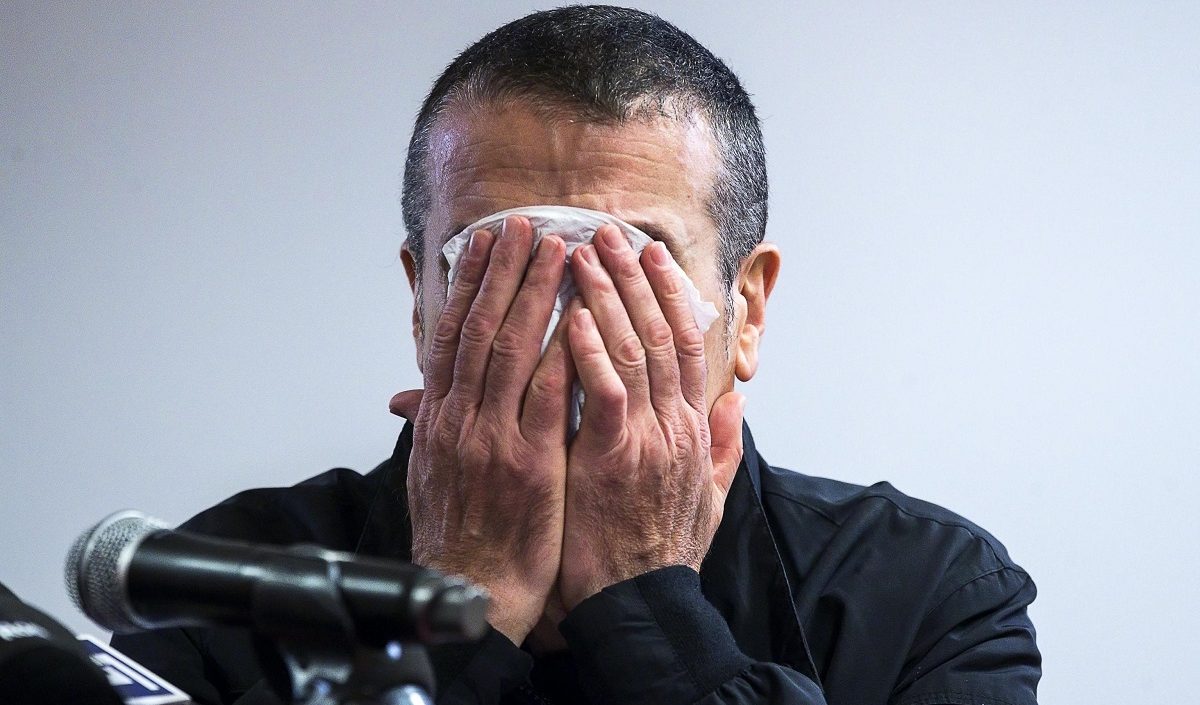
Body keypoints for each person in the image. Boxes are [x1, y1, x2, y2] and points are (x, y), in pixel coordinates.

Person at [111, 6, 1041, 704]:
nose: (563, 330)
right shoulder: (222, 581)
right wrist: (458, 600)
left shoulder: (928, 591)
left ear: (746, 309)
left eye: (631, 265)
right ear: (421, 303)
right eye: (496, 264)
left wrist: (648, 596)